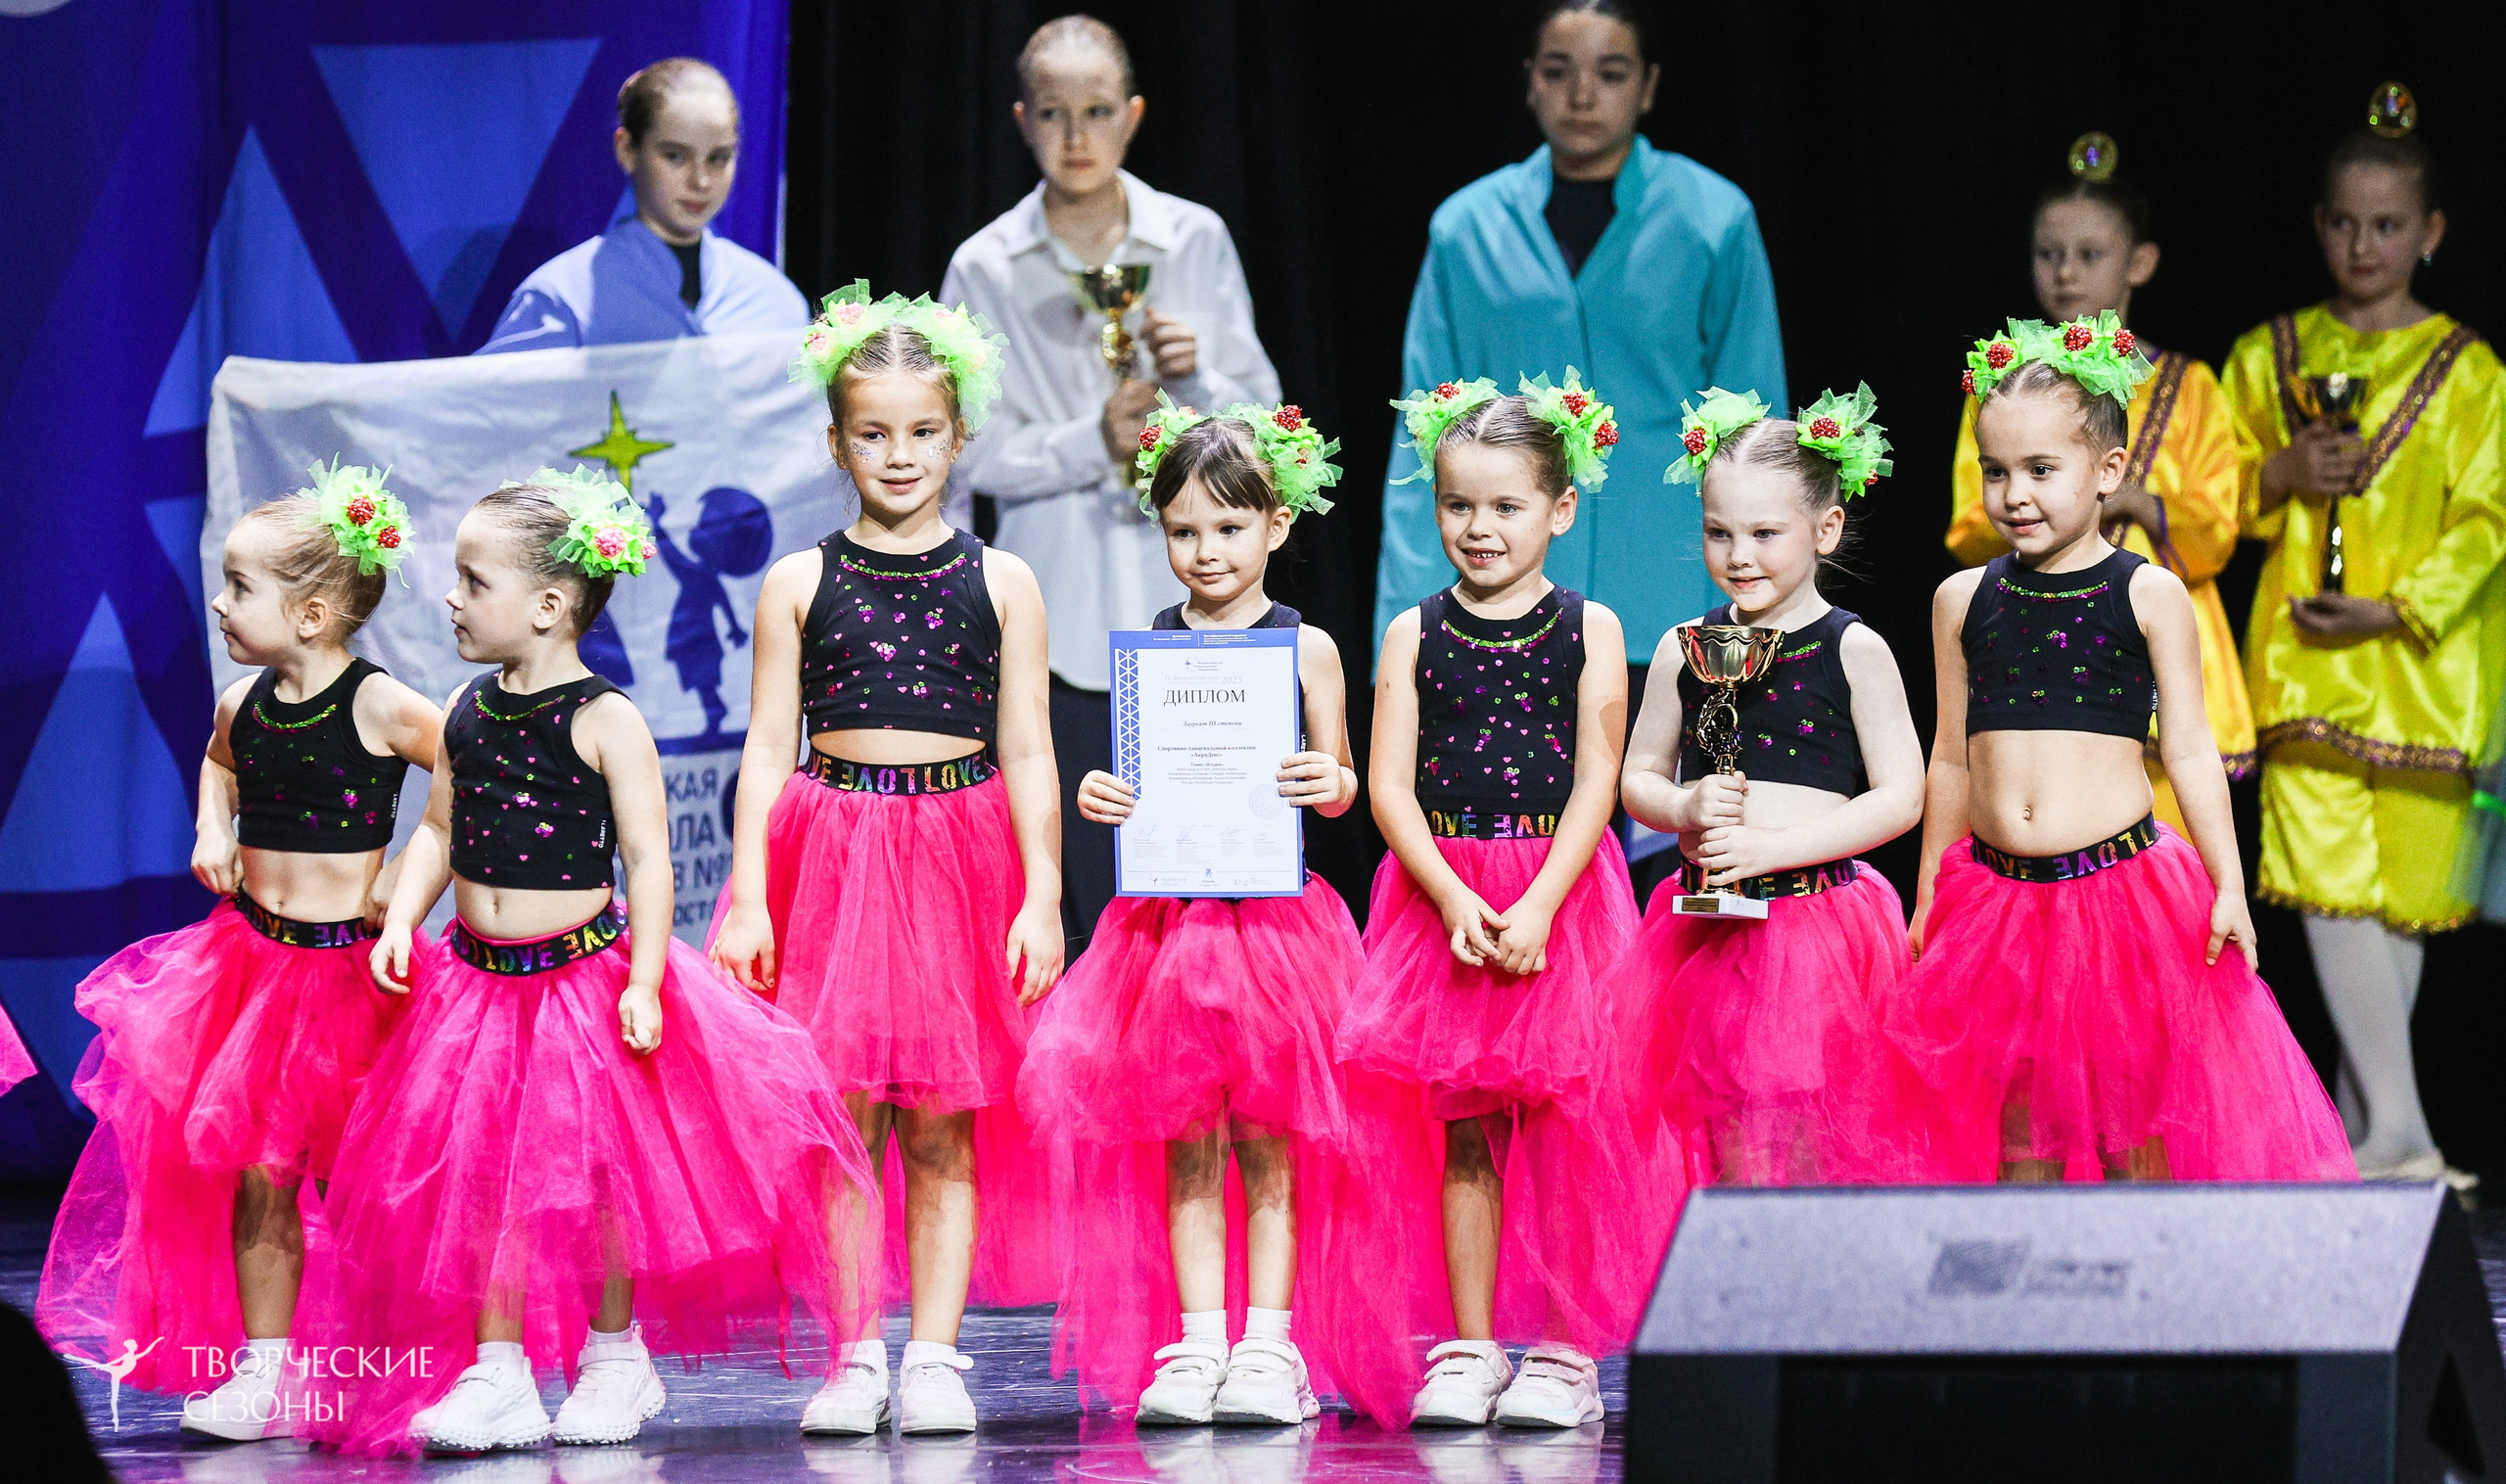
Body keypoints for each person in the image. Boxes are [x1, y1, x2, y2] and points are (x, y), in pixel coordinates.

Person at [300, 470, 878, 1455]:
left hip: (583, 985)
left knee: (601, 1181)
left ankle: (615, 1356)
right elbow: (437, 828)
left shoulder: (607, 718)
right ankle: (501, 1371)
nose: (452, 598)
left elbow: (647, 860)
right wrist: (401, 916)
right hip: (477, 987)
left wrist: (647, 979)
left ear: (549, 605)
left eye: (474, 581)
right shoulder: (468, 707)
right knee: (480, 1176)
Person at [710, 286, 1064, 1436]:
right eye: (873, 431)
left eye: (922, 431)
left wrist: (1045, 894)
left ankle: (936, 1354)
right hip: (833, 853)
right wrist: (752, 893)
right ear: (835, 440)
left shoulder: (1002, 581)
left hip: (959, 858)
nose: (899, 453)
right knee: (843, 1114)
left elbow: (1025, 747)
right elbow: (767, 751)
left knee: (945, 1118)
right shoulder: (799, 583)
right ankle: (854, 1346)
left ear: (958, 436)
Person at [1020, 402, 1411, 1429]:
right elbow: (1139, 780)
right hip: (1170, 932)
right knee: (1185, 1136)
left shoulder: (1306, 645)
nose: (1206, 550)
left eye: (1229, 528)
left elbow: (1345, 786)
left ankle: (1268, 1342)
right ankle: (1196, 1340)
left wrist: (1320, 775)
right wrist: (1109, 794)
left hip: (1276, 934)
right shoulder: (1150, 647)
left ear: (1275, 527)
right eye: (1184, 530)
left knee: (1272, 1138)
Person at [1893, 317, 2355, 1185]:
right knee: (2019, 1133)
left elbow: (2188, 750)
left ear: (2108, 472)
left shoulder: (2148, 592)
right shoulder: (1962, 598)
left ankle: (2138, 1308)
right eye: (1996, 471)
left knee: (2130, 1127)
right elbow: (1950, 757)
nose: (2014, 494)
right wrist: (1928, 892)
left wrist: (2227, 886)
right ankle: (2033, 1315)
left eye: (2041, 470)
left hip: (2119, 903)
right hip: (1997, 904)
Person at [36, 467, 439, 1437]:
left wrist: (407, 891)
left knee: (372, 1184)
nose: (218, 602)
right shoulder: (238, 702)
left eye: (239, 587)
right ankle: (264, 1371)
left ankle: (390, 1368)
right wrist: (212, 829)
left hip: (358, 978)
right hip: (255, 971)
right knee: (261, 1177)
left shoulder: (380, 703)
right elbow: (220, 766)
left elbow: (467, 765)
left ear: (311, 613)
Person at [1338, 372, 1653, 1430]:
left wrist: (1539, 906)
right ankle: (1470, 1344)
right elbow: (1387, 785)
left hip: (1558, 898)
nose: (1479, 527)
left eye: (1506, 505)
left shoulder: (1590, 626)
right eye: (1458, 504)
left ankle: (1564, 1352)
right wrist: (1454, 894)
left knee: (1564, 1129)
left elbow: (1595, 779)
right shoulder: (1411, 631)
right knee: (1464, 1130)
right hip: (1447, 901)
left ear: (1560, 509)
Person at [942, 15, 1280, 946]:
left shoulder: (1193, 238)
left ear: (1133, 117)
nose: (1077, 137)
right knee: (1087, 885)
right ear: (1022, 120)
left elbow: (1265, 428)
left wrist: (1199, 380)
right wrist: (1093, 439)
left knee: (1207, 887)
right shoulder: (986, 264)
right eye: (1054, 114)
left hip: (1205, 613)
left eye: (1097, 113)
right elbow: (963, 454)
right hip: (1062, 621)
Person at [2223, 95, 2506, 1183]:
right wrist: (2276, 477)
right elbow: (2207, 496)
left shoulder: (2472, 371)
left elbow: (2487, 516)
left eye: (2387, 226)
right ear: (2317, 225)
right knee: (2328, 876)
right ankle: (2401, 1131)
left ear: (2430, 233)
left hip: (2427, 670)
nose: (2363, 245)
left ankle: (2356, 1137)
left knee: (2401, 905)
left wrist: (2398, 607)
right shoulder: (2268, 356)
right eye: (2344, 224)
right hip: (2302, 658)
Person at [1373, 0, 1786, 668]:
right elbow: (1422, 430)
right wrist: (1405, 623)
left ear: (1649, 85)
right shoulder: (1466, 227)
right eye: (1559, 71)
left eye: (1612, 72)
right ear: (1531, 80)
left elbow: (1757, 415)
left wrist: (1769, 588)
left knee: (1670, 768)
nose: (1583, 95)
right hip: (1504, 578)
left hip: (1669, 568)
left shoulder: (1714, 218)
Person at [1621, 387, 1933, 1188]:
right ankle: (1742, 1305)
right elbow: (1639, 779)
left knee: (1817, 1142)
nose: (1739, 554)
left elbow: (1901, 795)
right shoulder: (1683, 648)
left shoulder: (1853, 647)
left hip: (1819, 928)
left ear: (1825, 530)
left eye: (1765, 533)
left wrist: (1774, 848)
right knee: (1731, 1146)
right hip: (1713, 937)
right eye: (1719, 532)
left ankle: (1811, 1307)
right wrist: (1683, 806)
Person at [1945, 136, 2254, 831]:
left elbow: (2218, 535)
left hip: (2158, 653)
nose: (2065, 273)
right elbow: (1967, 524)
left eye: (2089, 255)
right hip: (2038, 645)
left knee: (2165, 876)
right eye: (2049, 254)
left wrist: (2139, 502)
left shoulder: (2191, 386)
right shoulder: (1996, 388)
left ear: (2139, 262)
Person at [476, 58, 806, 353]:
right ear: (627, 150)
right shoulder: (562, 298)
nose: (701, 181)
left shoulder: (776, 302)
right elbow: (485, 409)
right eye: (675, 156)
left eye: (718, 158)